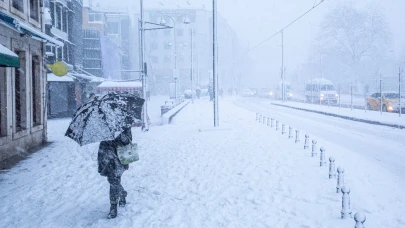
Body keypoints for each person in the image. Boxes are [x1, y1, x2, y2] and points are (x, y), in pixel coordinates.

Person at [98, 127, 132, 219]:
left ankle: (113, 207)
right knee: (113, 181)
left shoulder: (123, 124)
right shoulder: (103, 123)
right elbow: (102, 141)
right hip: (107, 159)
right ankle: (122, 193)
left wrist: (117, 137)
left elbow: (127, 141)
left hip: (120, 159)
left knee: (114, 182)